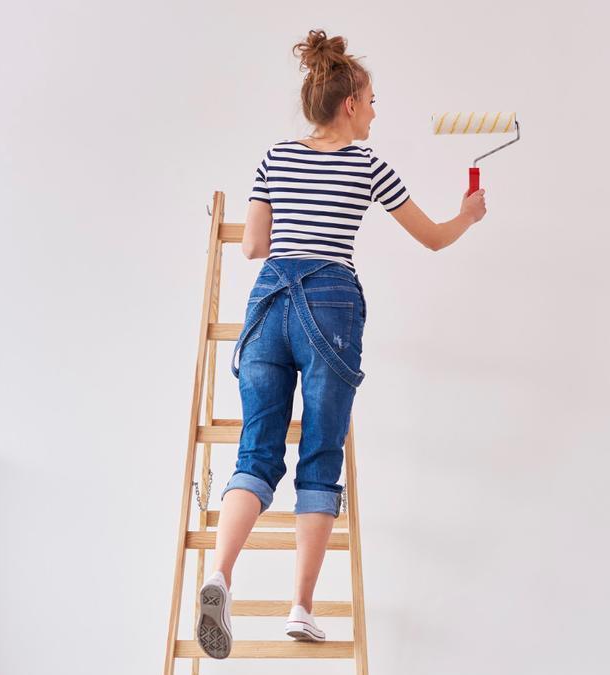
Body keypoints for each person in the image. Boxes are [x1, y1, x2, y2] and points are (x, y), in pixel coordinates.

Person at [194, 28, 487, 659]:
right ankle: (301, 607)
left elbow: (250, 247)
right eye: (374, 100)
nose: (377, 110)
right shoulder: (368, 165)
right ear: (349, 103)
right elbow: (432, 238)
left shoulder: (274, 156)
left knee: (256, 451)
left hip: (268, 303)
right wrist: (468, 214)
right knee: (320, 455)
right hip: (329, 303)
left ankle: (219, 575)